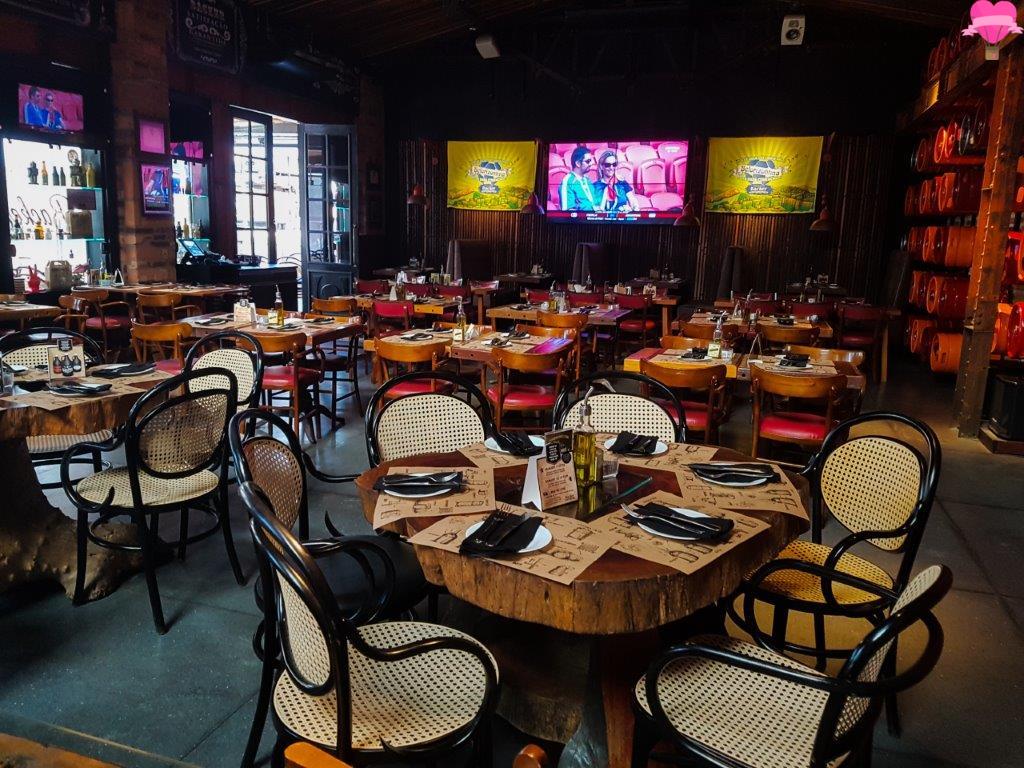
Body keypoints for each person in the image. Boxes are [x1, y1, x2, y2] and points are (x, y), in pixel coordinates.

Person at [559, 146, 597, 211]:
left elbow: (595, 203)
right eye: (588, 161)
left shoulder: (587, 180)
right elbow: (567, 212)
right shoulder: (567, 182)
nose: (591, 164)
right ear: (578, 163)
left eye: (591, 161)